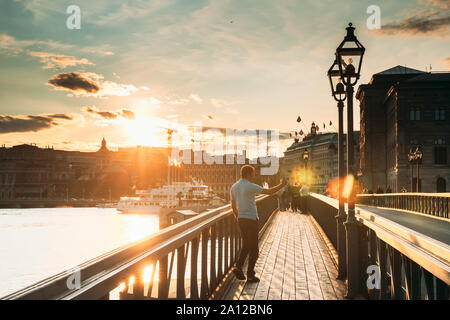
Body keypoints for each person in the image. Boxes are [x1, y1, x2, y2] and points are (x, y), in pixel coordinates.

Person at [230, 165, 286, 282]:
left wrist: (238, 217)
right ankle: (250, 274)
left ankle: (238, 266)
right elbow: (269, 191)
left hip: (241, 219)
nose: (254, 175)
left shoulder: (234, 187)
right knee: (254, 248)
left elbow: (233, 206)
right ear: (249, 174)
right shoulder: (250, 186)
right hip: (251, 218)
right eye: (253, 173)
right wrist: (281, 185)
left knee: (246, 244)